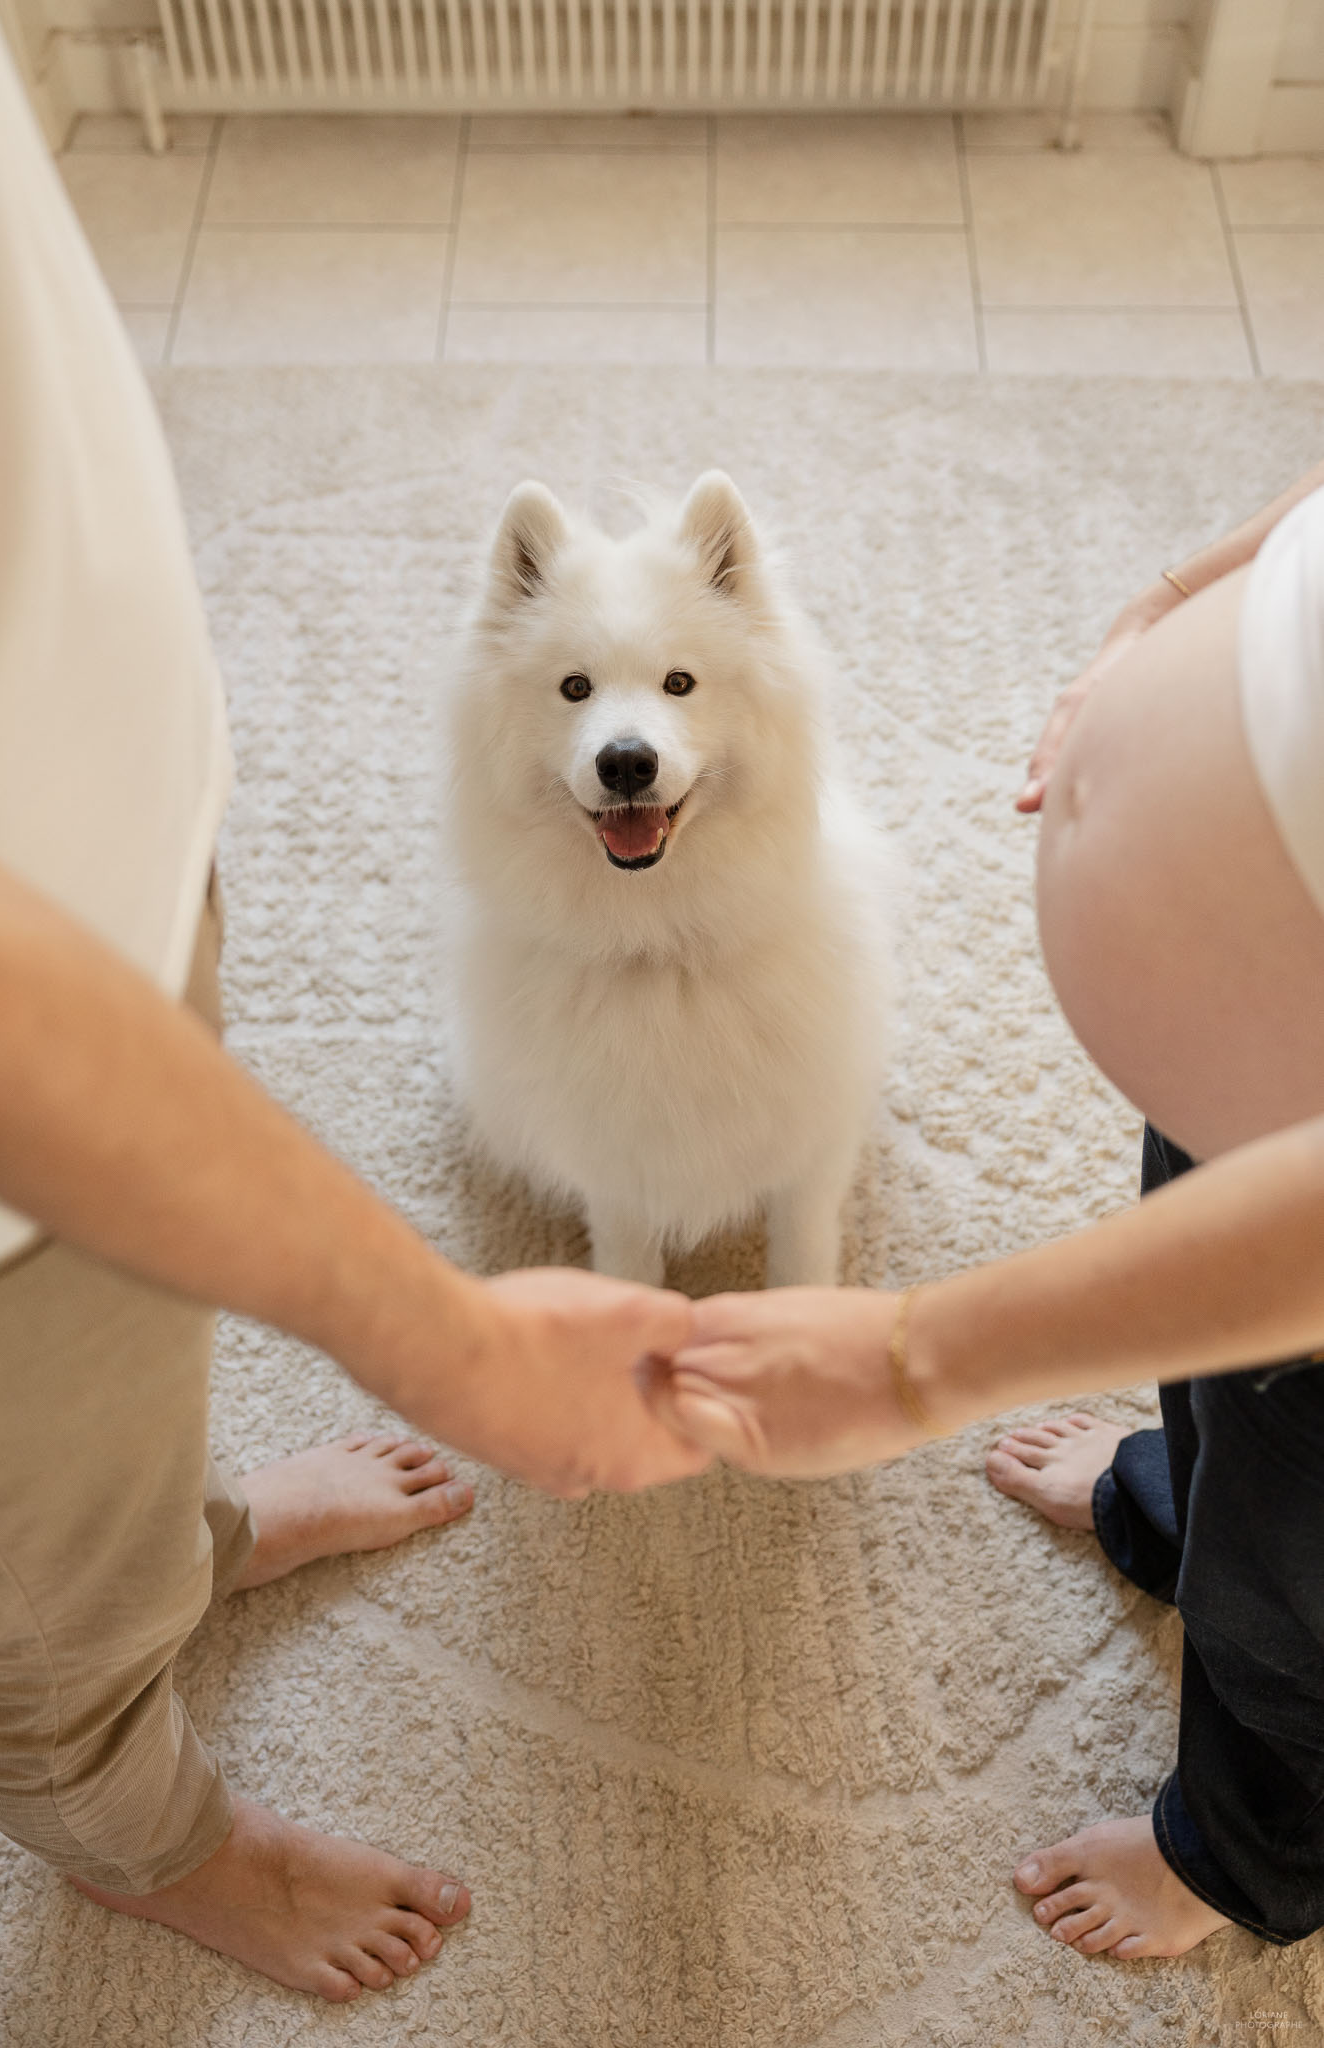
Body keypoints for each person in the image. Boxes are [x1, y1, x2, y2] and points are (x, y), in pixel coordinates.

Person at [0, 0, 706, 2006]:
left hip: (80, 834)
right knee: (30, 1574)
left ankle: (180, 1543)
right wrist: (442, 1338)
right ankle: (142, 1833)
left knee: (119, 1409)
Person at [648, 455, 1324, 1961]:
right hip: (1255, 1067)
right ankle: (1170, 1495)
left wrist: (917, 1359)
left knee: (1300, 1595)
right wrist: (1173, 611)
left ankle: (1241, 1857)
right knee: (1217, 1392)